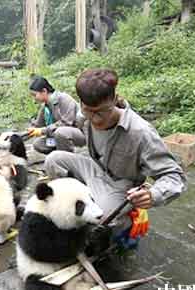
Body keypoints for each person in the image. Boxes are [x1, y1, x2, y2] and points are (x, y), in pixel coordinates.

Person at [44, 69, 187, 247]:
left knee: (101, 217)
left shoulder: (140, 132)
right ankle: (77, 204)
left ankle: (125, 221)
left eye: (101, 112)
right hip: (95, 170)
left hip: (121, 185)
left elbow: (174, 175)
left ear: (114, 99)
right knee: (53, 160)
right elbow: (77, 124)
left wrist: (153, 194)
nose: (95, 119)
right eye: (89, 111)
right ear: (81, 102)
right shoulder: (84, 116)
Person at [27, 76, 86, 154]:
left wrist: (42, 130)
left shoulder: (64, 99)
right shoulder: (45, 107)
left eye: (35, 95)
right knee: (38, 144)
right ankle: (58, 154)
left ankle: (67, 157)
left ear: (44, 91)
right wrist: (30, 131)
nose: (34, 98)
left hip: (80, 133)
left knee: (60, 132)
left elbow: (67, 123)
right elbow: (38, 125)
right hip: (59, 135)